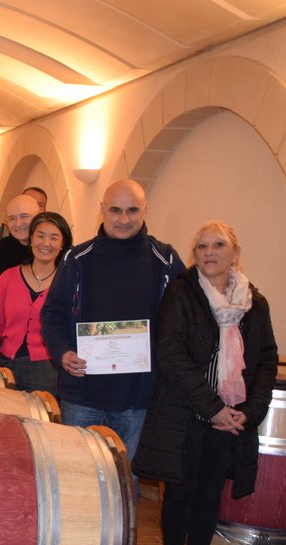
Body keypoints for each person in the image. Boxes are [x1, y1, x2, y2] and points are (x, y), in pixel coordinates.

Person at [132, 221, 277, 545]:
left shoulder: (254, 303)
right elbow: (171, 355)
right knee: (178, 493)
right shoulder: (181, 293)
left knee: (209, 495)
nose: (209, 252)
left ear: (235, 252)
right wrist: (212, 408)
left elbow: (265, 360)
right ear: (194, 254)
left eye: (218, 245)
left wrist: (250, 411)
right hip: (186, 414)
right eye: (201, 247)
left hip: (232, 420)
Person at [40, 179, 183, 459]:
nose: (124, 219)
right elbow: (52, 313)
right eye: (116, 210)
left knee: (125, 481)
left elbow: (184, 318)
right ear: (102, 210)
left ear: (145, 210)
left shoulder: (164, 260)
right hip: (82, 393)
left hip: (137, 398)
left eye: (133, 210)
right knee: (76, 474)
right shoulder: (77, 258)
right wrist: (62, 352)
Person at [0, 212, 70, 395]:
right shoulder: (8, 277)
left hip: (46, 372)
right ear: (31, 239)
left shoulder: (67, 283)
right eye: (40, 236)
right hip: (3, 365)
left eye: (54, 238)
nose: (46, 243)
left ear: (62, 245)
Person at [0, 193, 40, 303]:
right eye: (12, 218)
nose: (18, 223)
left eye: (24, 216)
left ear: (38, 217)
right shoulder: (2, 247)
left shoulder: (48, 249)